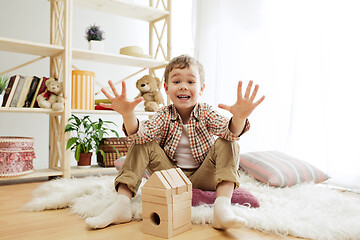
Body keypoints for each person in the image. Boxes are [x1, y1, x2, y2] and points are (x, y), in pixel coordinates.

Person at [85, 54, 265, 230]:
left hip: (205, 176)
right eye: (176, 82)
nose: (183, 87)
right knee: (143, 142)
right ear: (166, 87)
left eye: (191, 82)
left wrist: (239, 118)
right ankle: (121, 204)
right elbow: (141, 135)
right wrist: (128, 115)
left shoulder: (206, 112)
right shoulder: (163, 114)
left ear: (201, 88)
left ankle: (222, 207)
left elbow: (229, 131)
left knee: (229, 141)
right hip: (171, 176)